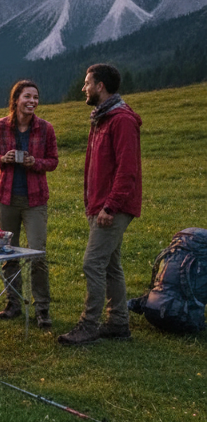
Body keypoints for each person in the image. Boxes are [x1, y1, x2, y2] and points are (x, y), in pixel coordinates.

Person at [58, 63, 142, 346]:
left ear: (100, 86)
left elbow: (127, 170)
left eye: (87, 83)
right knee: (110, 266)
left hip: (112, 207)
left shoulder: (121, 120)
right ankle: (118, 323)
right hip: (100, 205)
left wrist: (110, 206)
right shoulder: (102, 119)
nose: (84, 88)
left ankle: (89, 325)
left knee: (92, 264)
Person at [0, 80, 58, 328]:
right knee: (9, 253)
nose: (32, 101)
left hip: (35, 199)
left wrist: (34, 163)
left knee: (38, 254)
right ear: (16, 99)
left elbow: (53, 161)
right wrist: (2, 159)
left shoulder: (45, 129)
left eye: (35, 97)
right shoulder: (0, 127)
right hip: (5, 198)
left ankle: (42, 309)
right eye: (27, 96)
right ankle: (13, 303)